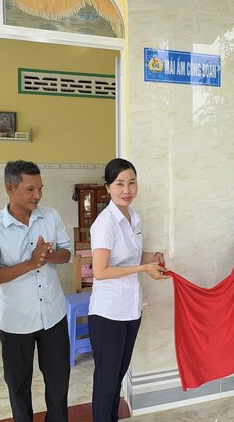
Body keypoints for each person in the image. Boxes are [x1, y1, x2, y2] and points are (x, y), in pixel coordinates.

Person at [0, 160, 72, 422]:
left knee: (58, 382)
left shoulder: (51, 216)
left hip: (53, 314)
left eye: (40, 189)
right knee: (18, 387)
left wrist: (49, 256)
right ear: (10, 188)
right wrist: (31, 263)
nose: (37, 196)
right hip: (17, 322)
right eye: (30, 190)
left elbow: (66, 254)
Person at [88, 158, 169, 422]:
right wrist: (143, 270)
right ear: (108, 187)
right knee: (106, 381)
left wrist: (151, 256)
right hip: (108, 313)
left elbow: (129, 255)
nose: (127, 189)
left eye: (132, 183)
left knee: (118, 377)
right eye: (120, 184)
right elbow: (101, 271)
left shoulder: (133, 217)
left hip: (131, 309)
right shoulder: (105, 223)